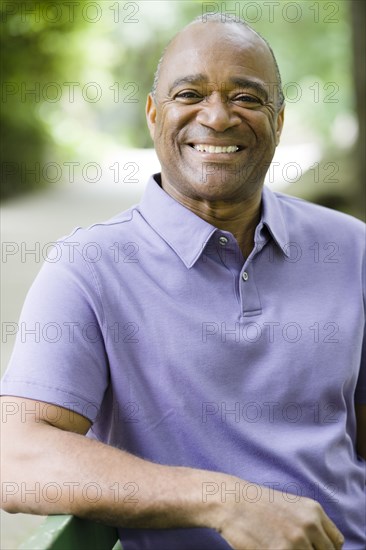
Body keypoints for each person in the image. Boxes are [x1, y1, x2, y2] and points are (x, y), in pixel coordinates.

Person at [1, 13, 365, 550]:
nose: (217, 117)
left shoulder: (352, 248)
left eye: (247, 97)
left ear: (280, 120)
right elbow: (16, 457)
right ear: (154, 115)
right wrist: (224, 499)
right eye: (189, 93)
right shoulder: (88, 266)